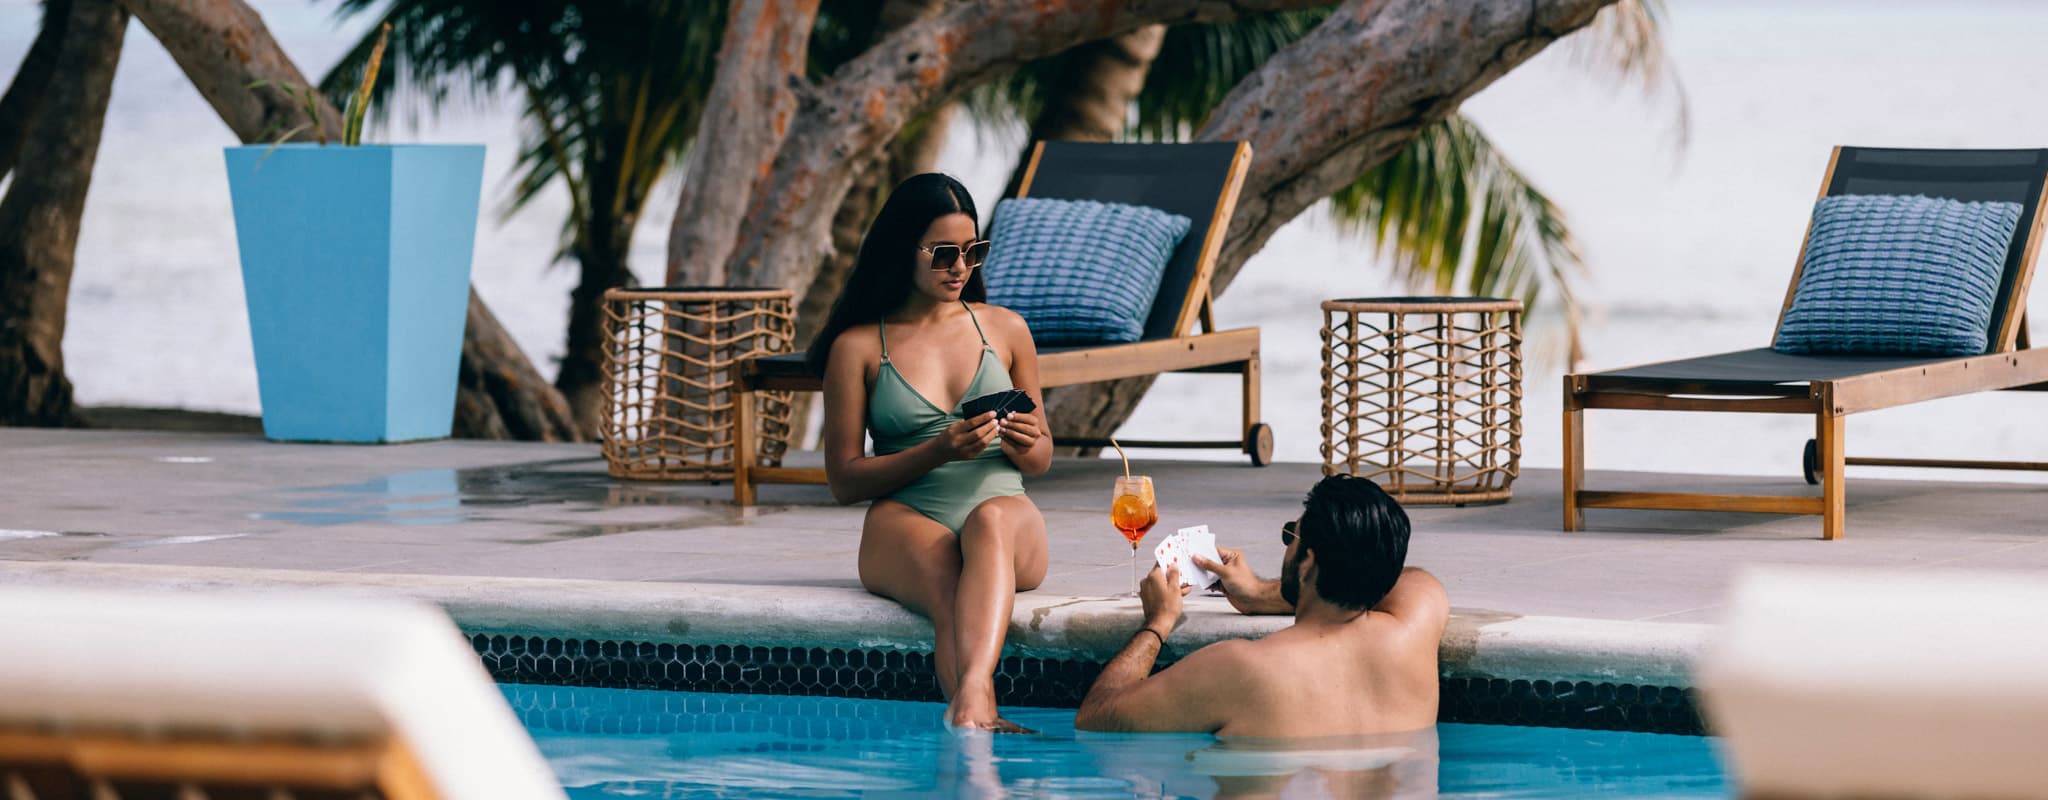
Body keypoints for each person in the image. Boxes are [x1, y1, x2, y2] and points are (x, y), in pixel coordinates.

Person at [809, 173, 1052, 732]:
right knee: (948, 587)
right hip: (907, 517)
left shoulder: (1007, 330)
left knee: (989, 521)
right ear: (903, 251)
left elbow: (1041, 461)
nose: (960, 268)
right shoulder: (859, 347)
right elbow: (844, 481)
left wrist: (1026, 443)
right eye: (944, 253)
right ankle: (975, 712)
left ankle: (970, 699)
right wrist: (938, 451)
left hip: (1005, 513)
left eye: (973, 252)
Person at [1073, 474, 1448, 737]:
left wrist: (1157, 622)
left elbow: (1097, 716)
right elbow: (1397, 577)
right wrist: (1256, 594)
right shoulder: (1416, 626)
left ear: (1308, 562)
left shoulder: (1240, 669)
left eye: (1291, 534)